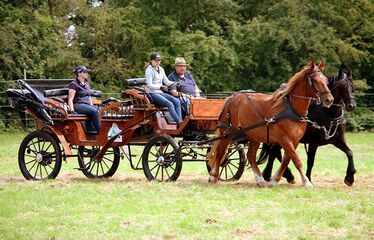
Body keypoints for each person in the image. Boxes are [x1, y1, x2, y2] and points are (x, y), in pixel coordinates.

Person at [145, 52, 183, 126]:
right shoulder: (149, 70)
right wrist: (161, 87)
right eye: (156, 60)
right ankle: (178, 121)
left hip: (160, 92)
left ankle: (180, 122)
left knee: (177, 101)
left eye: (159, 60)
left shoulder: (161, 69)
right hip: (152, 93)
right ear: (151, 61)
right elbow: (149, 85)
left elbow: (166, 81)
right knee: (170, 104)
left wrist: (174, 83)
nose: (158, 62)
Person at [68, 65, 100, 134]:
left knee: (101, 111)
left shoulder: (86, 83)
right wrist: (72, 110)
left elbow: (89, 97)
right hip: (78, 105)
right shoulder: (74, 84)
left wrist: (92, 106)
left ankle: (92, 130)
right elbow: (70, 98)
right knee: (95, 112)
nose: (87, 73)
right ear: (79, 73)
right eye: (85, 72)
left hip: (87, 105)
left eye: (87, 72)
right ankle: (100, 132)